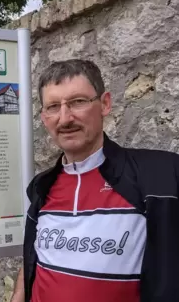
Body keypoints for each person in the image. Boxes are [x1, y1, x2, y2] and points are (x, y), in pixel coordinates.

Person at [11, 59, 179, 302]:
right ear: (44, 117)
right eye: (53, 107)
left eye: (78, 102)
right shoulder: (41, 187)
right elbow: (34, 257)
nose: (65, 118)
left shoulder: (162, 175)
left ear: (105, 104)